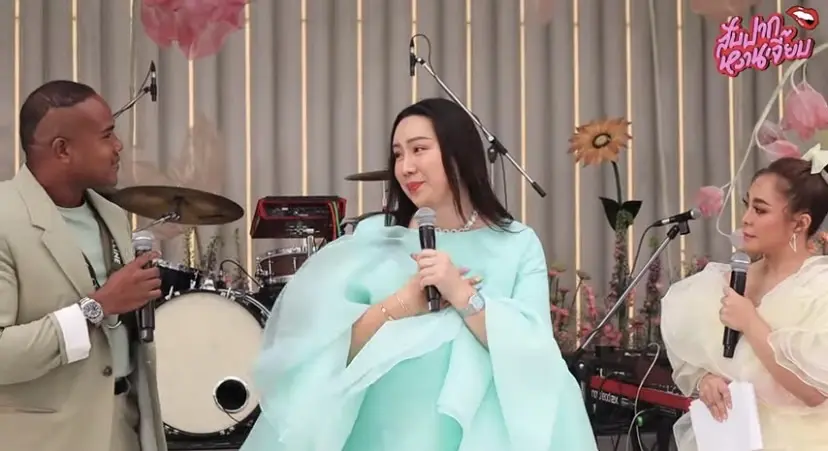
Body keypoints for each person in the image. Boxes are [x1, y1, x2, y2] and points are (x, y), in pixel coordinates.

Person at [240, 97, 598, 451]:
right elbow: (327, 347)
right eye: (398, 154)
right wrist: (401, 304)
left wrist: (462, 295)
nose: (406, 167)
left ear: (458, 153)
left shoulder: (517, 243)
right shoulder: (373, 237)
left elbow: (535, 351)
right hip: (379, 429)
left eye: (419, 149)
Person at [0, 81, 167, 451]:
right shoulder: (5, 217)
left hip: (123, 426)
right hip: (48, 439)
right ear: (63, 149)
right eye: (107, 135)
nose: (118, 146)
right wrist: (97, 307)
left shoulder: (112, 214)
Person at [661, 155, 828, 450]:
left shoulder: (819, 288)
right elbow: (695, 355)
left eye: (760, 210)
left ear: (800, 223)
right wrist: (705, 380)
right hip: (730, 436)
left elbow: (814, 391)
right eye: (747, 205)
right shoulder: (725, 280)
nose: (746, 218)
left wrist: (751, 322)